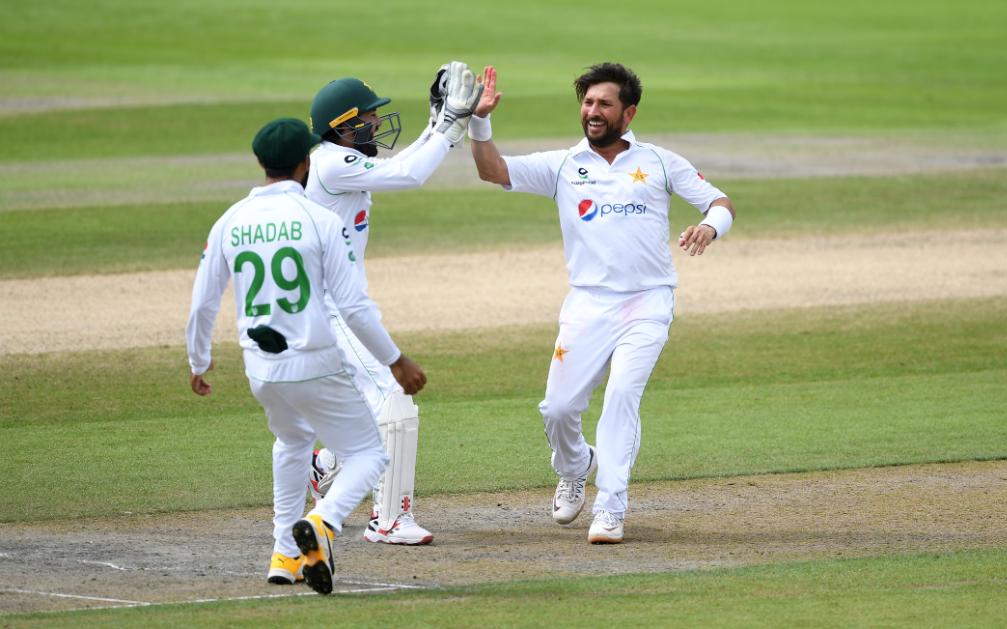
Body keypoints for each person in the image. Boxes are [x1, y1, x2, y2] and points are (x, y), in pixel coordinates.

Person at [468, 63, 736, 544]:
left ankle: (611, 508)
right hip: (587, 305)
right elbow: (493, 170)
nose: (593, 112)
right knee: (556, 408)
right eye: (588, 103)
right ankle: (575, 466)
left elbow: (719, 201)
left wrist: (710, 226)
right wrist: (480, 121)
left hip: (647, 302)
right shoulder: (564, 165)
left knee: (620, 397)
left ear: (628, 113)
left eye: (604, 104)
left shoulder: (658, 161)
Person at [185, 117, 427, 595]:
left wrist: (198, 361)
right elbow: (353, 306)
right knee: (368, 455)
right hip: (315, 360)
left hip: (261, 368)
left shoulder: (230, 220)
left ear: (261, 163)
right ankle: (322, 523)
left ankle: (284, 554)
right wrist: (396, 359)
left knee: (292, 443)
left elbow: (202, 301)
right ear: (305, 163)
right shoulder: (322, 220)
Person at [302, 62, 482, 545]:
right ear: (343, 127)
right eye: (368, 118)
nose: (377, 124)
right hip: (330, 311)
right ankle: (389, 520)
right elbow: (407, 175)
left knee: (365, 403)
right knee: (394, 399)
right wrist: (448, 127)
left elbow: (399, 167)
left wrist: (440, 120)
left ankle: (325, 468)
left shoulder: (338, 159)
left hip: (333, 306)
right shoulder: (332, 163)